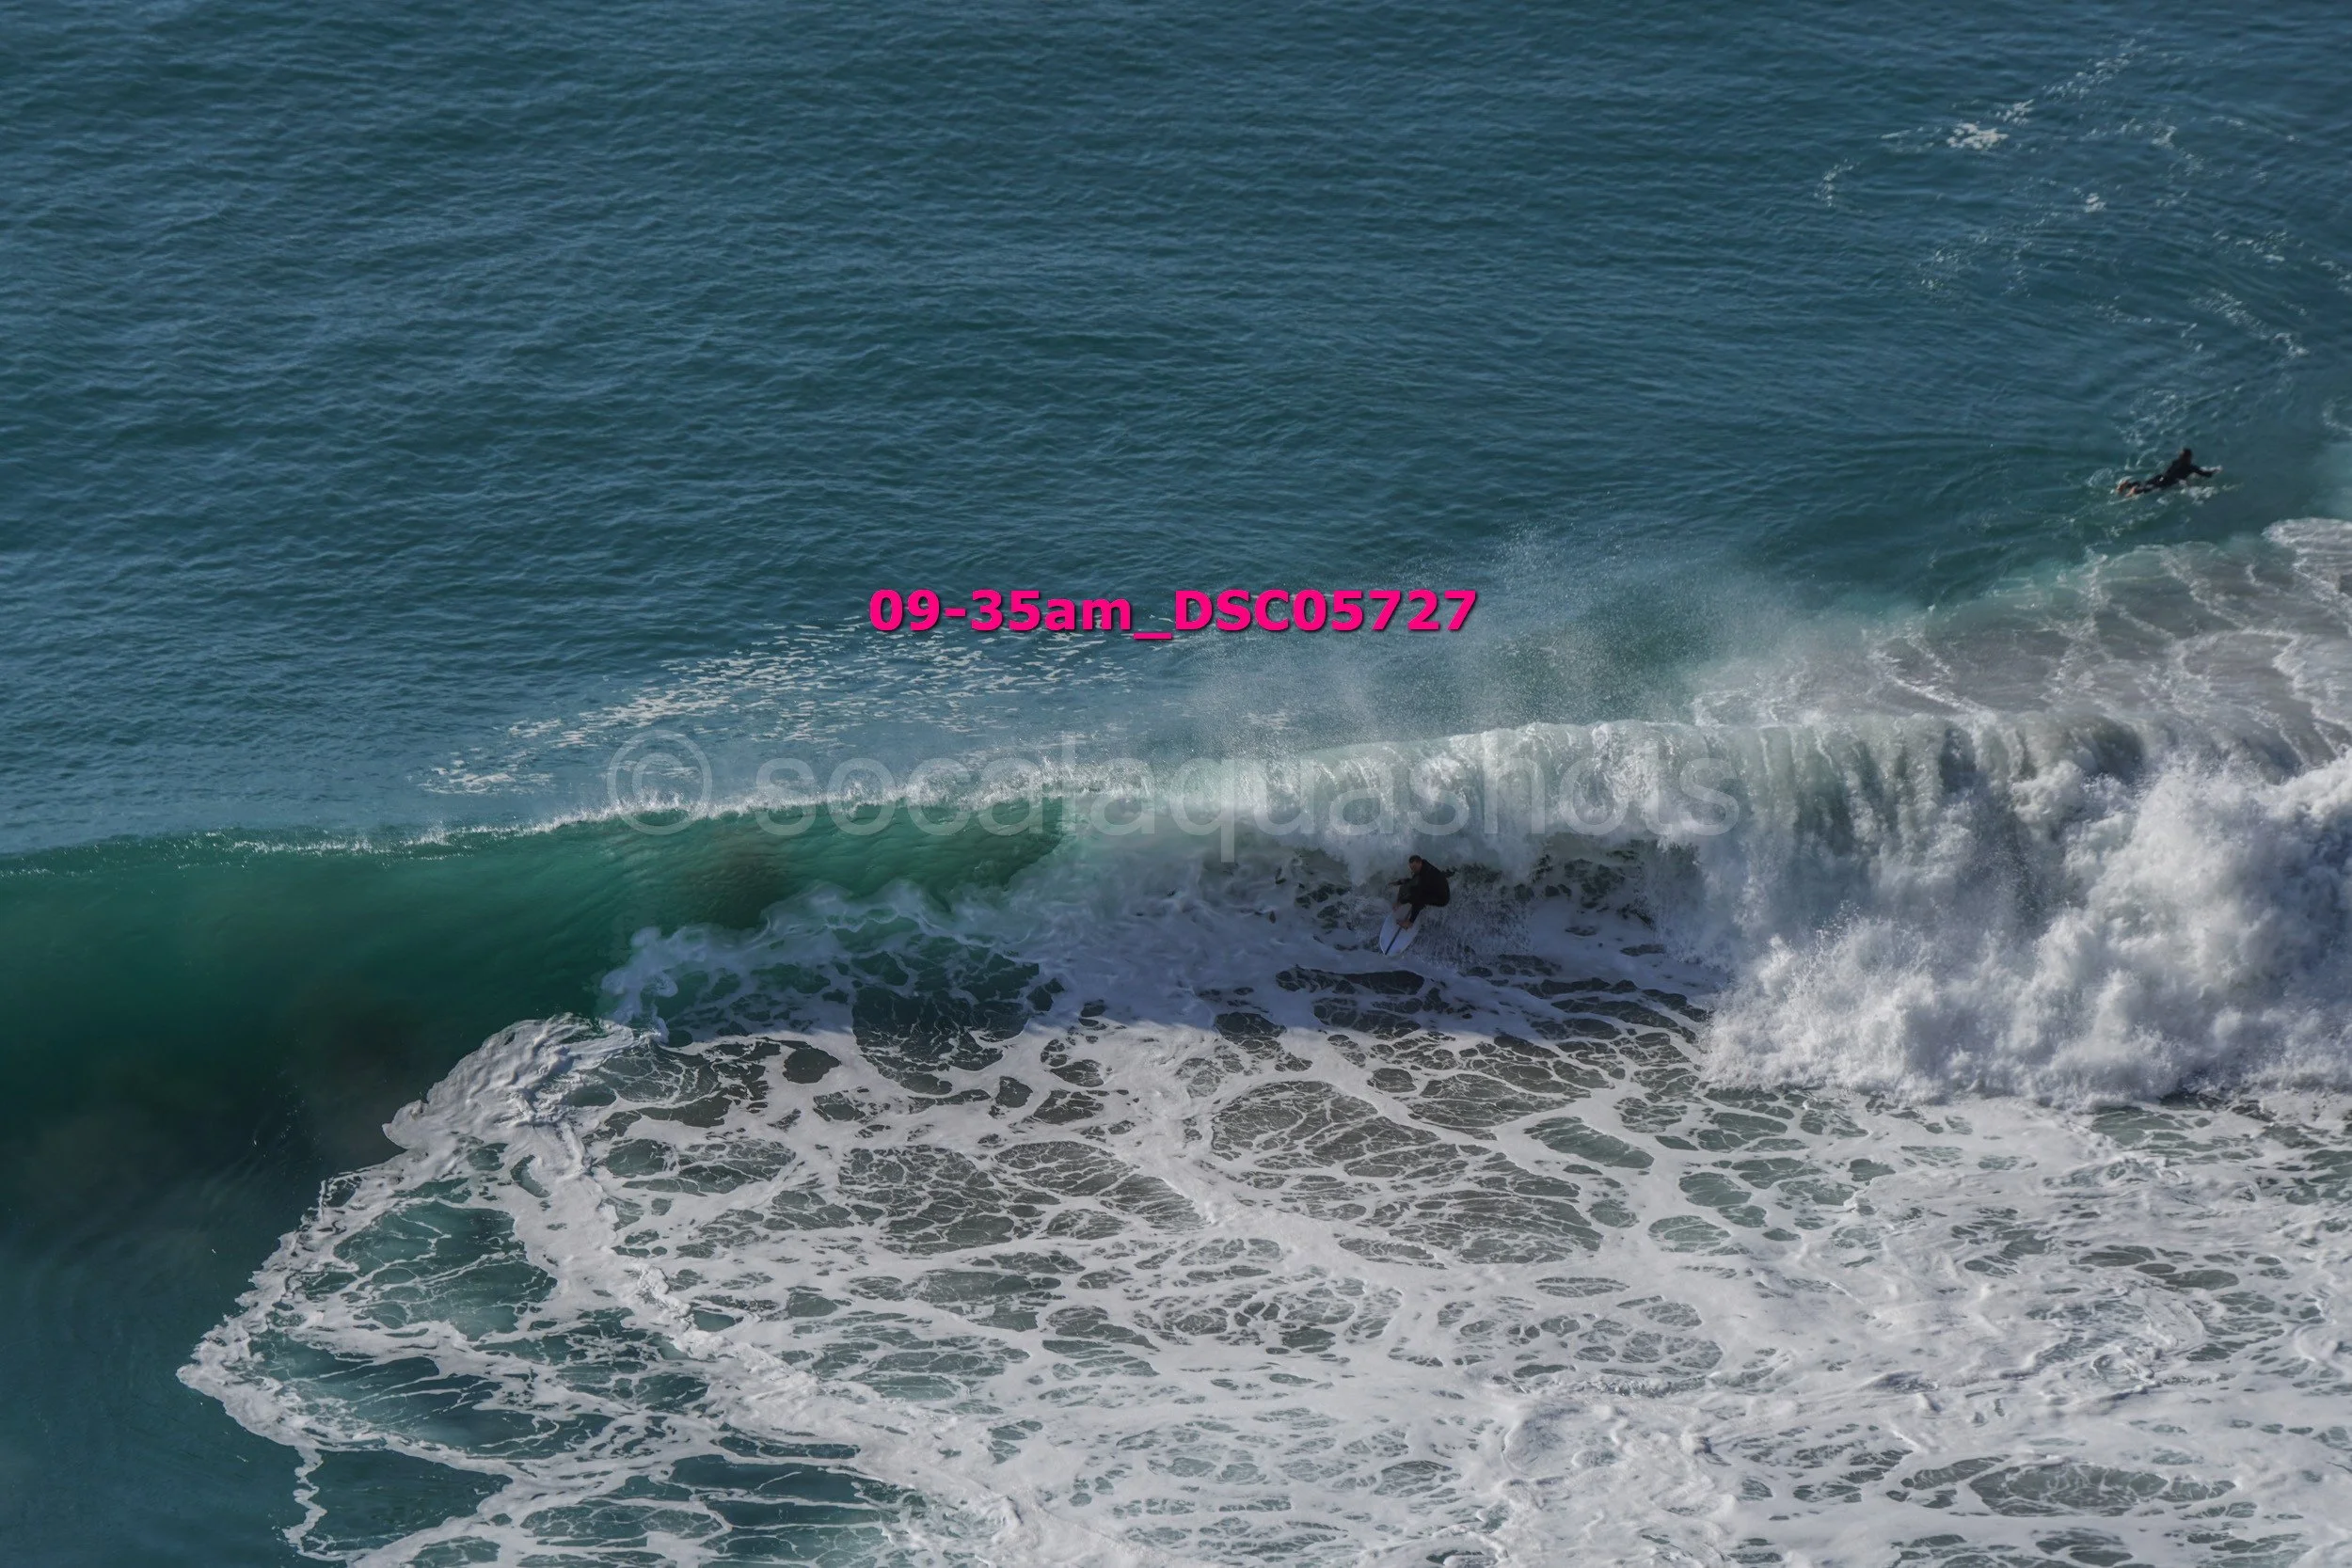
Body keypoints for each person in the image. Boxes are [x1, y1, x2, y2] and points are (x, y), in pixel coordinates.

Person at [2117, 448, 2217, 496]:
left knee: (2145, 483)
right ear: (2189, 457)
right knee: (2149, 489)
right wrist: (2215, 470)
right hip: (2167, 481)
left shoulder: (2175, 462)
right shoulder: (2190, 467)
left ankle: (2127, 485)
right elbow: (2206, 475)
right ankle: (2134, 490)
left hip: (2161, 476)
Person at [1391, 855, 1451, 931]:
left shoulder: (1425, 876)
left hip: (1442, 898)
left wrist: (1400, 902)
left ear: (1420, 863)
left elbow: (1416, 894)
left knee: (1418, 899)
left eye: (1414, 868)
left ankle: (1409, 923)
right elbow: (1413, 881)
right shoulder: (1423, 866)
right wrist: (1398, 882)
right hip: (1435, 889)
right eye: (1411, 868)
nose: (1413, 870)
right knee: (1411, 889)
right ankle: (1417, 906)